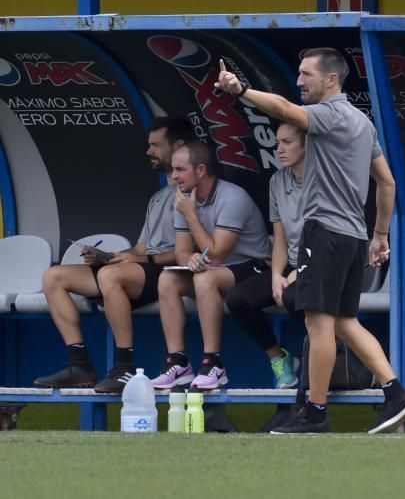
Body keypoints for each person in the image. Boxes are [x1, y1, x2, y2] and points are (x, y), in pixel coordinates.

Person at [215, 47, 405, 434]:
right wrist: (379, 235)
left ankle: (315, 413)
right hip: (353, 237)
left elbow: (284, 109)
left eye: (307, 74)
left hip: (324, 233)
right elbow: (387, 183)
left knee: (318, 324)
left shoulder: (331, 114)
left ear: (331, 80)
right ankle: (396, 393)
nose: (299, 81)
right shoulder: (363, 122)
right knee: (344, 322)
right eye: (299, 73)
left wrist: (240, 90)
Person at [34, 116, 193, 393]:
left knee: (110, 276)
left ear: (178, 145)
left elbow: (186, 254)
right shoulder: (158, 197)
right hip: (140, 270)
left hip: (171, 273)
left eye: (155, 145)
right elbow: (141, 248)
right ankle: (79, 364)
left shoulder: (192, 193)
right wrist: (111, 255)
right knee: (54, 277)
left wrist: (137, 260)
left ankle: (124, 367)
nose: (149, 152)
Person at [151, 140, 270, 390]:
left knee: (205, 278)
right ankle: (178, 362)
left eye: (181, 170)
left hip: (253, 268)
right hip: (215, 271)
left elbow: (216, 255)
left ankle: (213, 362)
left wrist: (191, 214)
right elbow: (182, 251)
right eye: (174, 169)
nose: (174, 176)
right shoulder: (183, 197)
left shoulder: (232, 196)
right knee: (167, 279)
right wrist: (190, 259)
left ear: (201, 170)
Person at [224, 122, 306, 389]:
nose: (279, 149)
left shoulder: (324, 180)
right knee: (238, 299)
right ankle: (280, 359)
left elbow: (329, 235)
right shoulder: (278, 180)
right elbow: (280, 238)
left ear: (308, 145)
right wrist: (275, 277)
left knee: (295, 296)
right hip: (290, 264)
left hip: (322, 262)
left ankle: (330, 356)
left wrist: (299, 272)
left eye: (287, 142)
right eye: (277, 143)